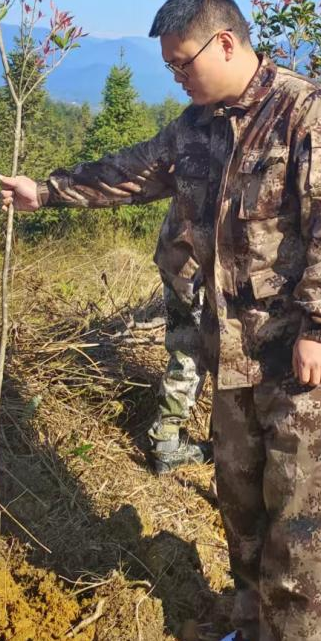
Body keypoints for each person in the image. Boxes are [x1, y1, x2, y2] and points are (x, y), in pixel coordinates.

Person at [0, 0, 321, 641]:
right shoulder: (197, 127)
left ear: (225, 43)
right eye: (167, 67)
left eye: (182, 63)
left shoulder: (307, 114)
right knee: (243, 509)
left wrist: (319, 326)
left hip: (305, 369)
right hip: (234, 357)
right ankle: (253, 625)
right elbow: (134, 170)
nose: (176, 78)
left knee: (302, 527)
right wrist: (46, 191)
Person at [145, 202, 209, 473]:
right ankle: (167, 443)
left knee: (186, 345)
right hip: (195, 262)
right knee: (194, 349)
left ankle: (167, 435)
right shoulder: (220, 158)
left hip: (177, 255)